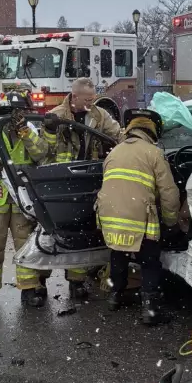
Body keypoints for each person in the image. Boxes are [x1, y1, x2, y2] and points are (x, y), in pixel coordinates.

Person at [38, 77, 125, 299]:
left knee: (81, 232)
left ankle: (76, 282)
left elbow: (117, 134)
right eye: (87, 100)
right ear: (74, 96)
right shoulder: (56, 116)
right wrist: (49, 130)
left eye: (93, 99)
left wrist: (135, 139)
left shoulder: (99, 115)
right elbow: (41, 151)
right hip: (58, 181)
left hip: (86, 178)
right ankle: (39, 281)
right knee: (51, 234)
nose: (90, 103)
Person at [0, 90, 50, 308]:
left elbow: (41, 153)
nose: (17, 116)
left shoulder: (30, 131)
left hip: (22, 200)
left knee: (26, 247)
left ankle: (28, 290)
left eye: (21, 112)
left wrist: (25, 132)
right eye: (14, 112)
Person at [96, 109, 180, 326]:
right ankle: (150, 309)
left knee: (118, 254)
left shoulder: (114, 152)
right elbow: (169, 193)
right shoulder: (154, 153)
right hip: (139, 217)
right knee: (149, 261)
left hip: (111, 216)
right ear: (152, 132)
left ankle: (115, 296)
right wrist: (171, 222)